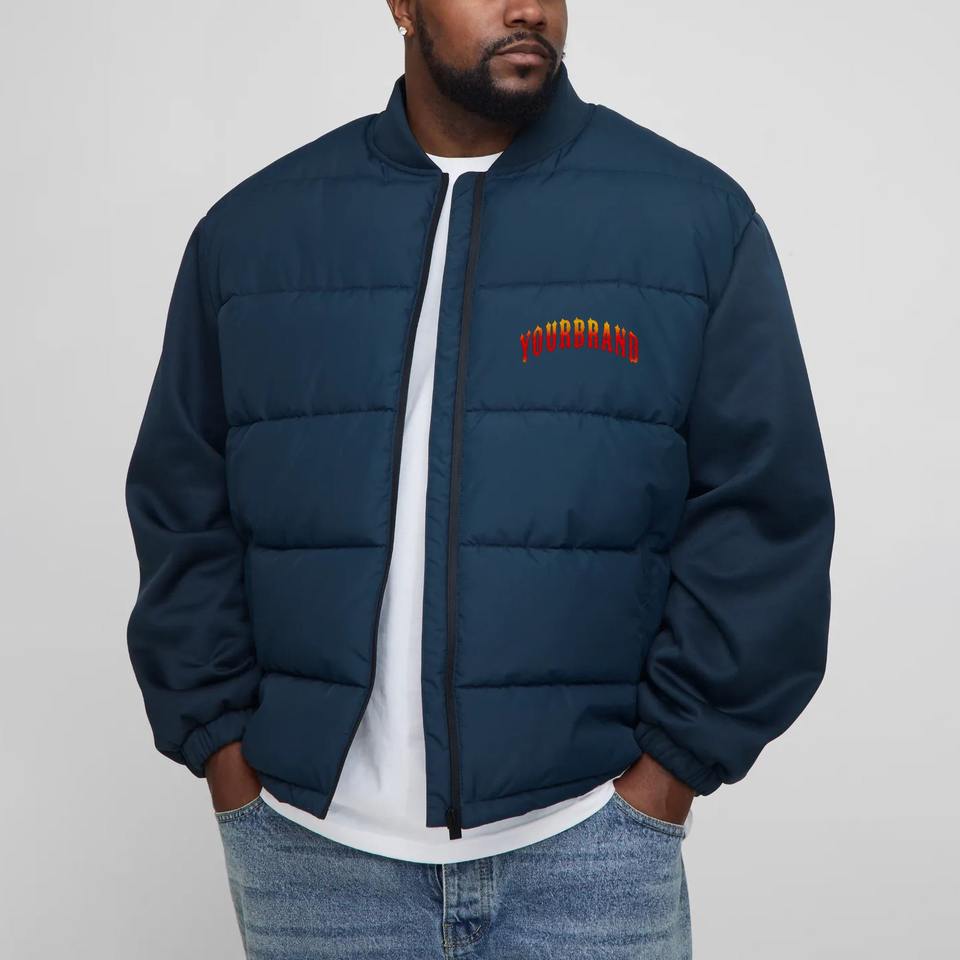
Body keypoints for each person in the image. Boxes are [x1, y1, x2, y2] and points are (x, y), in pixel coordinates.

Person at [124, 1, 835, 956]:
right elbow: (183, 507)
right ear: (402, 5)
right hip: (309, 856)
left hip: (590, 852)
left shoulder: (692, 221)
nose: (528, 7)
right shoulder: (255, 234)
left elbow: (765, 515)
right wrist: (224, 756)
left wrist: (666, 777)